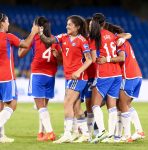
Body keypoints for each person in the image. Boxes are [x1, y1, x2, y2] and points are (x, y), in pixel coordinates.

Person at [40, 15, 92, 143]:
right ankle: (85, 134)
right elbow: (49, 41)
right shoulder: (63, 37)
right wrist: (41, 33)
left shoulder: (82, 40)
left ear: (77, 27)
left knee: (67, 103)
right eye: (67, 24)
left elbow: (90, 59)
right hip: (69, 76)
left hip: (78, 77)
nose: (67, 26)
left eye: (70, 24)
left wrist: (78, 71)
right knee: (76, 107)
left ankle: (68, 133)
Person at [97, 23, 144, 142]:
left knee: (122, 105)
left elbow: (122, 57)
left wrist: (106, 59)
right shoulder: (120, 39)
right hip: (135, 75)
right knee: (125, 105)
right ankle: (139, 131)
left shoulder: (118, 41)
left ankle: (126, 135)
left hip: (128, 76)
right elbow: (128, 34)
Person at [18, 16, 61, 142]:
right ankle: (40, 133)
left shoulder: (35, 38)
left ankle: (50, 132)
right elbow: (60, 61)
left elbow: (20, 54)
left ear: (37, 27)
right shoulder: (54, 39)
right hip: (51, 75)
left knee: (40, 107)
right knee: (43, 107)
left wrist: (31, 33)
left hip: (37, 74)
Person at [0, 12, 38, 143]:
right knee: (12, 105)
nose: (9, 24)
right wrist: (33, 33)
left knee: (0, 107)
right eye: (7, 21)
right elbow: (25, 45)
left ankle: (1, 136)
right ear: (2, 23)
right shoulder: (7, 37)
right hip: (6, 76)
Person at [88, 13, 123, 143]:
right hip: (117, 73)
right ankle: (111, 136)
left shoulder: (95, 37)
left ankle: (101, 131)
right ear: (104, 23)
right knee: (112, 105)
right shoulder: (112, 35)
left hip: (104, 73)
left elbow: (92, 60)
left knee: (95, 105)